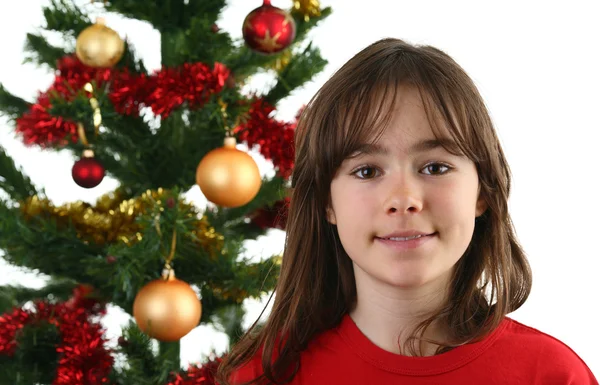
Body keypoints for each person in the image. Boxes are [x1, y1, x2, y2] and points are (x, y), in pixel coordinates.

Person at [216, 38, 599, 384]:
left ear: (482, 190)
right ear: (326, 203)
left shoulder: (551, 375)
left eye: (435, 167)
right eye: (366, 171)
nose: (403, 198)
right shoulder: (265, 377)